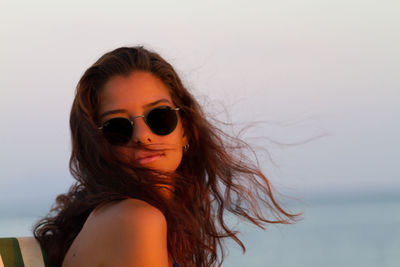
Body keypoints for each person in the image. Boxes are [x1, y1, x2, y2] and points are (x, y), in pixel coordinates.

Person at [34, 46, 299, 267]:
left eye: (159, 117)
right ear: (97, 145)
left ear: (184, 129)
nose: (143, 136)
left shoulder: (122, 216)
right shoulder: (137, 219)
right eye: (118, 127)